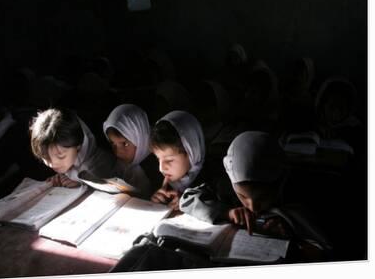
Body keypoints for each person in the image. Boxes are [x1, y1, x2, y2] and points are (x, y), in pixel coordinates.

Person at [180, 131, 331, 257]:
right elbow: (188, 198)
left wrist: (290, 230)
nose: (253, 207)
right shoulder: (225, 187)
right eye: (243, 197)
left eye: (263, 197)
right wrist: (226, 212)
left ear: (280, 182)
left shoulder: (299, 193)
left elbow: (324, 245)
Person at [29, 107, 115, 188]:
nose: (53, 164)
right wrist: (61, 177)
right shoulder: (63, 154)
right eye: (46, 158)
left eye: (61, 156)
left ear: (78, 146)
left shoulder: (102, 164)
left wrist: (81, 185)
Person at [149, 110, 206, 210]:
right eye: (158, 159)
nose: (161, 168)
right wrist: (157, 201)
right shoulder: (157, 179)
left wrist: (188, 203)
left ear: (192, 152)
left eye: (169, 160)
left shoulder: (213, 182)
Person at [103, 104, 154, 197]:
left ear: (140, 138)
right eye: (112, 144)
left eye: (125, 144)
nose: (118, 152)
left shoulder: (156, 168)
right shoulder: (121, 163)